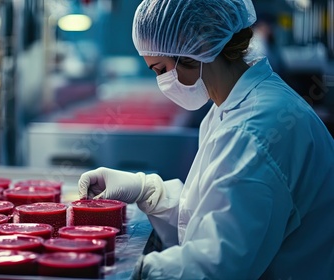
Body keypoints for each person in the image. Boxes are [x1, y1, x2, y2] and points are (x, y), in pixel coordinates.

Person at [77, 0, 334, 279]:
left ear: (196, 49)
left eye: (161, 70)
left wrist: (133, 269)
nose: (162, 82)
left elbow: (218, 266)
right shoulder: (230, 107)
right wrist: (147, 190)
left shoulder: (253, 131)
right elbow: (214, 219)